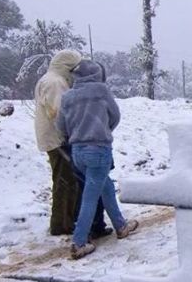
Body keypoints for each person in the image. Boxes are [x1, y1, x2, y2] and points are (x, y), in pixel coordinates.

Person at [56, 60, 138, 259]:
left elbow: (60, 125)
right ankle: (79, 242)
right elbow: (115, 116)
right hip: (98, 150)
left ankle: (120, 226)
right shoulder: (101, 91)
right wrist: (102, 130)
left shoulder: (68, 96)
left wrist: (78, 133)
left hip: (77, 151)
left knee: (105, 186)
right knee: (91, 196)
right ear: (96, 74)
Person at [33, 49, 109, 237]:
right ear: (68, 67)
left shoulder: (51, 79)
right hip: (57, 139)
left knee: (68, 180)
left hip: (55, 136)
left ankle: (69, 220)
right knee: (64, 181)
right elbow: (61, 112)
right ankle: (61, 225)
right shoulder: (55, 82)